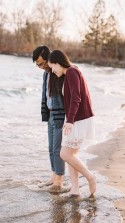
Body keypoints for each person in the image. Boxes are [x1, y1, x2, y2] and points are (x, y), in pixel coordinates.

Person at [48, 49, 96, 197]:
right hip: (75, 119)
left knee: (65, 154)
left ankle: (90, 177)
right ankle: (75, 190)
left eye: (52, 67)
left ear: (57, 63)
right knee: (71, 155)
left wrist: (69, 120)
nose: (52, 71)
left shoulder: (71, 72)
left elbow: (76, 97)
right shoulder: (71, 72)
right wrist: (69, 120)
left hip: (78, 120)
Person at [32, 46, 66, 191]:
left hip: (59, 114)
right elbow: (45, 94)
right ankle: (53, 176)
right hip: (51, 114)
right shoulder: (46, 74)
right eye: (38, 65)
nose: (40, 67)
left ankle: (59, 180)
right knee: (51, 148)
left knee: (58, 148)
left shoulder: (58, 72)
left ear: (49, 59)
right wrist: (45, 113)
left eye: (41, 63)